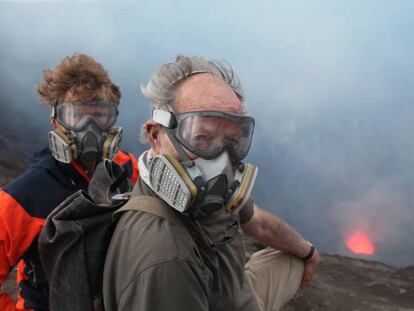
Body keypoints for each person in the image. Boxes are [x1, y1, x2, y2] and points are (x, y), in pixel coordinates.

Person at [103, 55, 320, 311]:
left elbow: (259, 222)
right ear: (156, 136)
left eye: (231, 141)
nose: (220, 159)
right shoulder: (166, 258)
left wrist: (308, 253)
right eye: (202, 137)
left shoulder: (213, 196)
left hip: (235, 294)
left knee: (292, 259)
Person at [0, 53, 139, 311]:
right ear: (56, 121)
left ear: (113, 119)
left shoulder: (126, 170)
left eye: (99, 115)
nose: (89, 128)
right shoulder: (25, 196)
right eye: (76, 116)